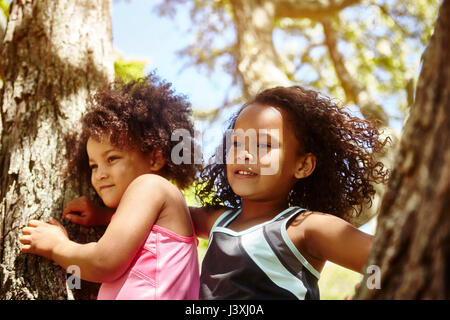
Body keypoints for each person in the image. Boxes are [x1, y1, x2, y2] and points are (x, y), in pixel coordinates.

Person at [61, 85, 390, 300]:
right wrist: (104, 214)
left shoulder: (305, 228)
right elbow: (151, 218)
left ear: (302, 166)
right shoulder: (219, 219)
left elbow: (392, 259)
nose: (244, 154)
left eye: (262, 145)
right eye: (237, 143)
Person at [20, 74, 201, 300]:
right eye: (93, 166)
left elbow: (103, 262)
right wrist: (107, 216)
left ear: (154, 159)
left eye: (112, 159)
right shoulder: (159, 197)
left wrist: (56, 246)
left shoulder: (150, 185)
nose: (100, 174)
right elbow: (148, 235)